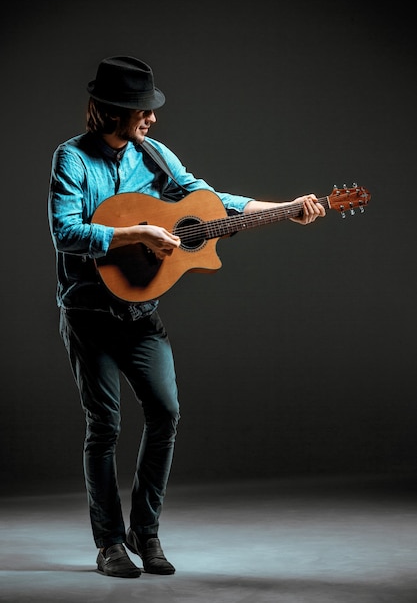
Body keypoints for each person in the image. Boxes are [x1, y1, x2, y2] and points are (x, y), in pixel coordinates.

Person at [48, 55, 325, 579]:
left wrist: (286, 207)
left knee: (166, 412)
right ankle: (108, 542)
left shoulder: (153, 155)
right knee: (104, 425)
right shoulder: (72, 160)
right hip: (88, 313)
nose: (151, 118)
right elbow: (65, 233)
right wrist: (137, 234)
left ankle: (144, 532)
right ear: (111, 111)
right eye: (141, 110)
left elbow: (209, 199)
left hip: (140, 312)